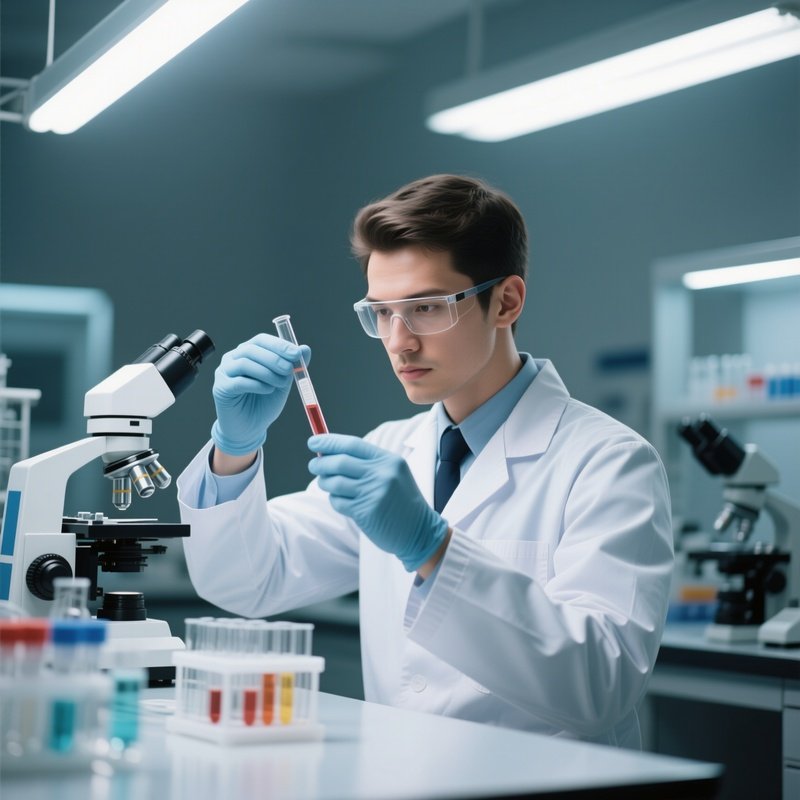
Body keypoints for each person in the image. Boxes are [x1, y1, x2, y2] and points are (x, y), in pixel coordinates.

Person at [176, 174, 673, 747]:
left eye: (426, 308)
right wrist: (234, 449)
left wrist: (432, 548)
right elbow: (247, 582)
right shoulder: (392, 449)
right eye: (381, 312)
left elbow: (601, 686)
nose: (399, 341)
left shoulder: (609, 463)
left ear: (506, 301)